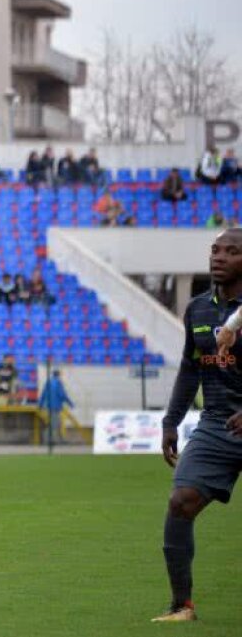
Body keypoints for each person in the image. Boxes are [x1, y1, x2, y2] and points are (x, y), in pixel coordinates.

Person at [151, 228, 242, 622]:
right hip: (218, 424)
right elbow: (191, 367)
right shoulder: (199, 309)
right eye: (215, 250)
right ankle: (181, 606)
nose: (219, 257)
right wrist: (172, 420)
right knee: (180, 503)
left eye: (231, 251)